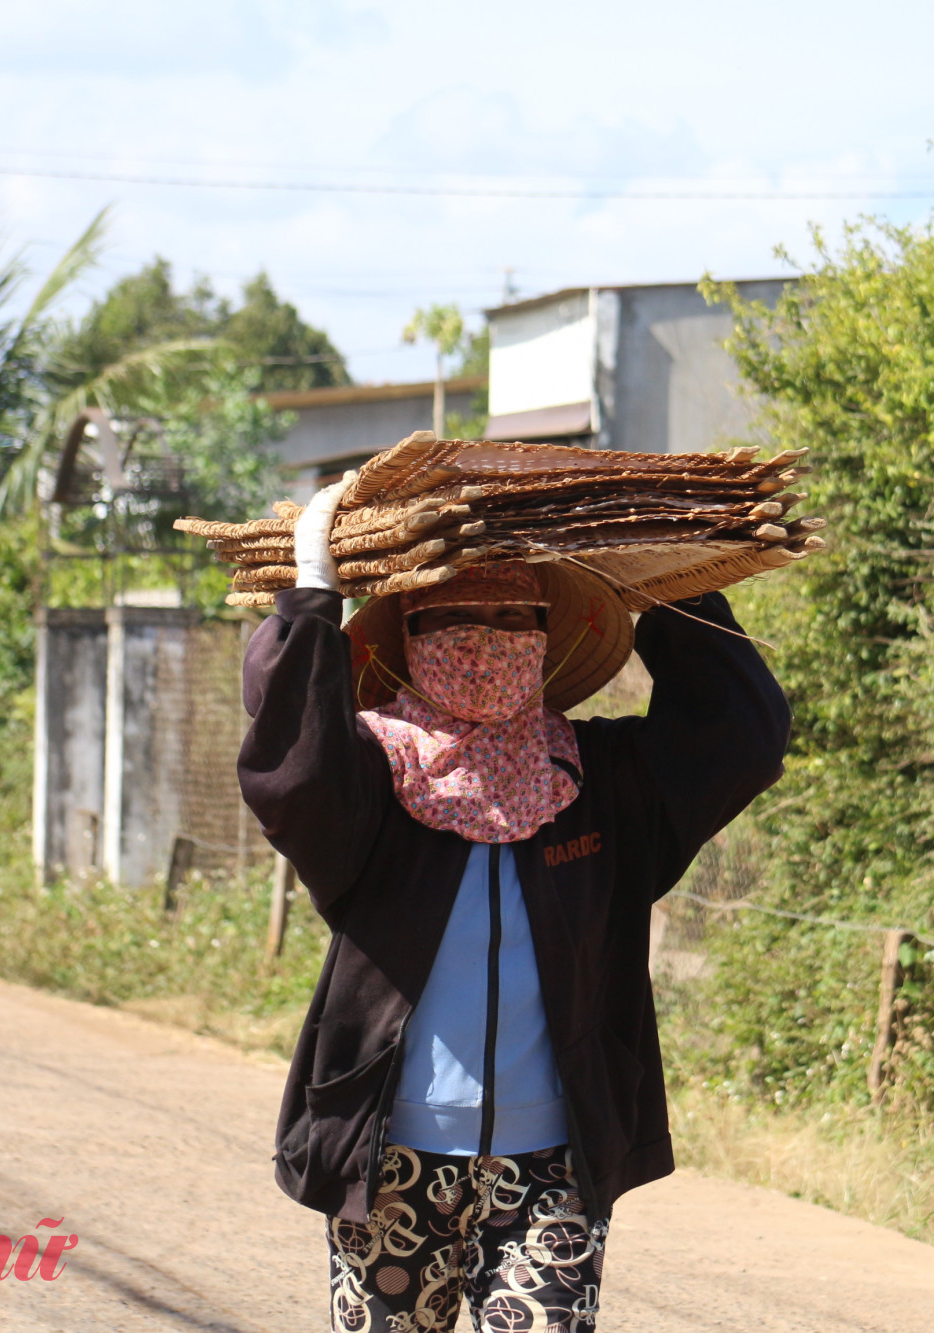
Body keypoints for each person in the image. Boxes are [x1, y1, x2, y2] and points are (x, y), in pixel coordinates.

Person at [239, 472, 790, 1332]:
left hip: (552, 1165)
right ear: (407, 638)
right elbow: (291, 761)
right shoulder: (368, 784)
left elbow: (740, 738)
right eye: (453, 618)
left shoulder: (605, 785)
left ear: (547, 638)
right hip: (392, 1159)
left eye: (512, 619)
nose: (486, 639)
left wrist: (671, 579)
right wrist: (312, 596)